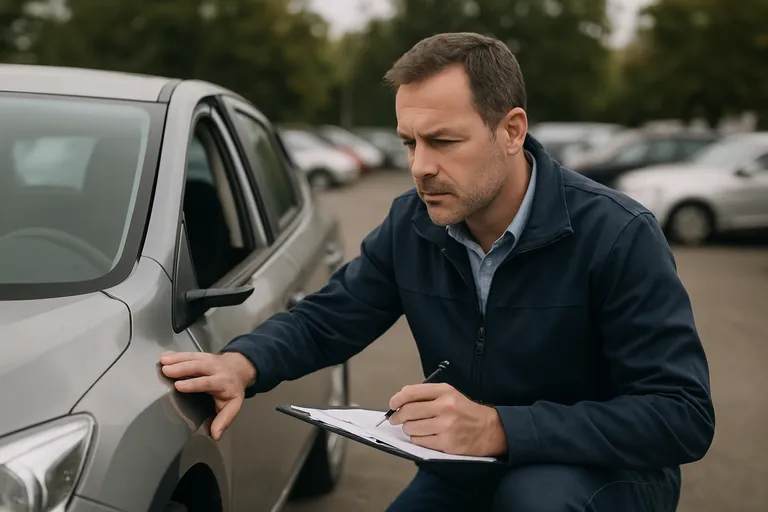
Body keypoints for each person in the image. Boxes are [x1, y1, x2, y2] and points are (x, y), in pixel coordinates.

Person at [160, 32, 715, 511]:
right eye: (409, 143)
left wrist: (500, 428)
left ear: (512, 131)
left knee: (536, 500)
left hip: (603, 475)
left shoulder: (617, 234)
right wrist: (241, 363)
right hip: (465, 469)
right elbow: (330, 317)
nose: (421, 166)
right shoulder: (413, 222)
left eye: (444, 141)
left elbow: (680, 414)